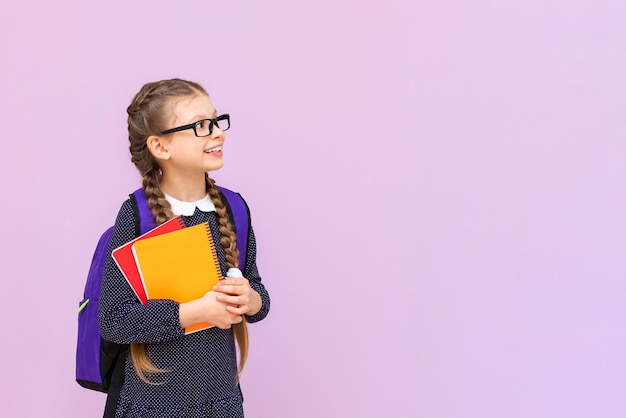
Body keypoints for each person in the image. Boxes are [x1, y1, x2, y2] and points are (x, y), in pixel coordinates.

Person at [98, 78, 270, 417]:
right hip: (154, 405)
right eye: (201, 126)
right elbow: (115, 321)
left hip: (220, 401)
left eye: (217, 121)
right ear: (161, 147)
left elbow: (259, 299)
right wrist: (197, 312)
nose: (218, 133)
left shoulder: (234, 208)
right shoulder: (136, 215)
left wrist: (250, 298)